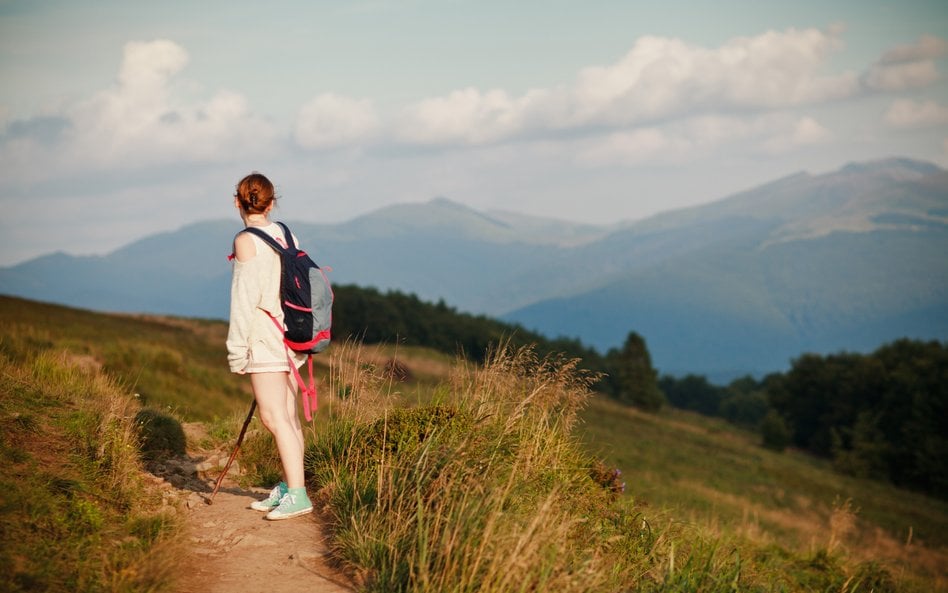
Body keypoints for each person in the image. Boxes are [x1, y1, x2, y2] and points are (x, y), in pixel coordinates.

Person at [226, 172, 313, 521]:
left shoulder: (245, 240)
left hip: (264, 339)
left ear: (237, 202)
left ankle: (298, 494)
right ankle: (291, 485)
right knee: (288, 418)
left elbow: (243, 301)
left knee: (274, 417)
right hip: (292, 335)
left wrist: (237, 352)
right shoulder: (287, 233)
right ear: (272, 201)